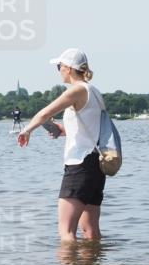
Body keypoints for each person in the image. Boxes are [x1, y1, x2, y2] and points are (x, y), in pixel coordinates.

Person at [17, 48, 107, 242]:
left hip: (79, 165)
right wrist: (63, 130)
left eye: (59, 66)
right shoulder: (95, 92)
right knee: (91, 231)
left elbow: (44, 113)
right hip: (96, 166)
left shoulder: (76, 90)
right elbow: (93, 127)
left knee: (66, 231)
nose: (58, 70)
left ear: (68, 68)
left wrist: (26, 130)